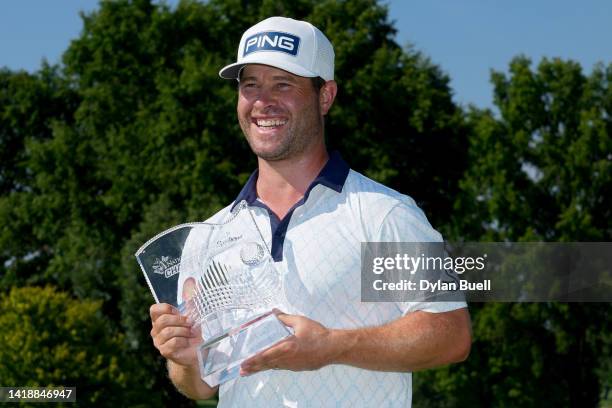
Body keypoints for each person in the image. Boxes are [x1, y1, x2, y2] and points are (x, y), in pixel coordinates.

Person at [149, 16, 471, 407]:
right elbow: (201, 387)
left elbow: (452, 334)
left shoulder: (383, 215)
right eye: (250, 85)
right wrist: (183, 359)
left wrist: (333, 346)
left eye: (283, 84)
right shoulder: (206, 237)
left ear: (325, 96)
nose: (263, 101)